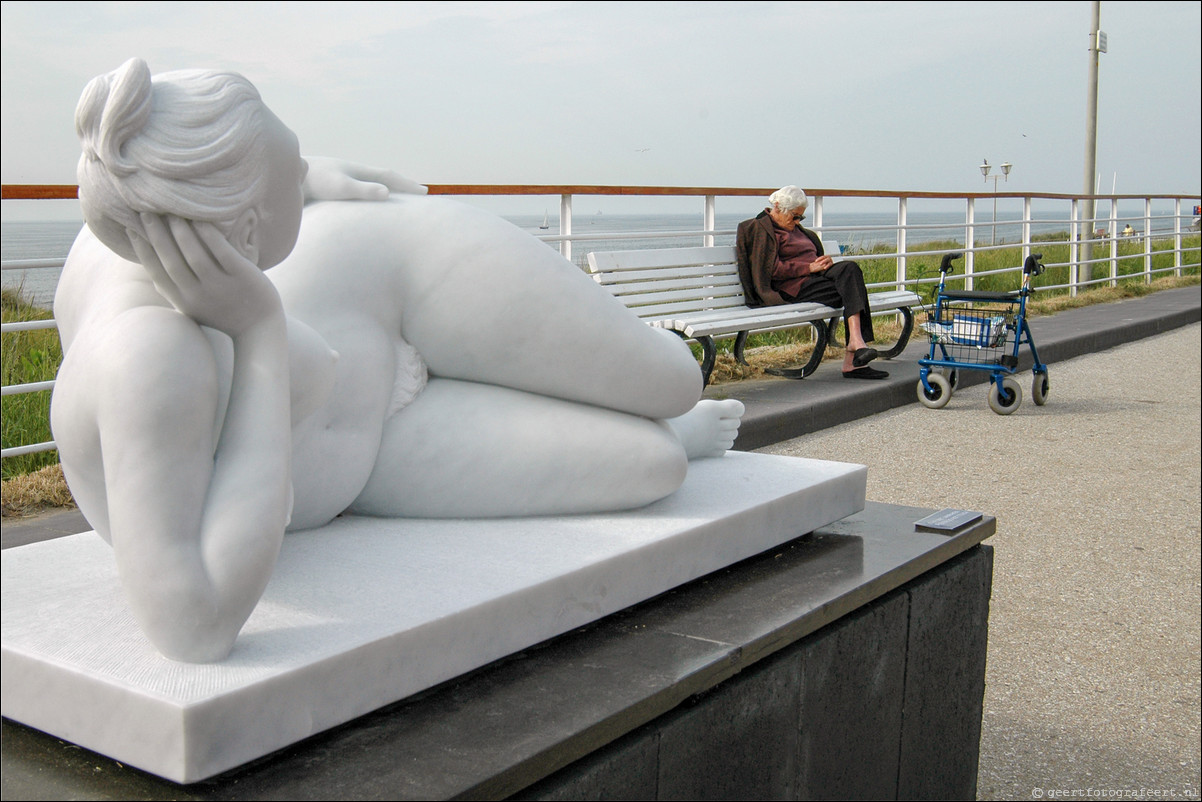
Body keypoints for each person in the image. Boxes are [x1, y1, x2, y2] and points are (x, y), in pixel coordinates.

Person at [52, 58, 744, 662]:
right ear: (243, 229)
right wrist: (260, 326)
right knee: (657, 464)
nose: (304, 174)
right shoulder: (147, 356)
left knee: (673, 379)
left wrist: (303, 180)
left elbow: (283, 364)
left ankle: (647, 397)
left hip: (382, 278)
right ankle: (665, 429)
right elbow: (194, 630)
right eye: (289, 174)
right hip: (364, 458)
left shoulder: (120, 220)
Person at [736, 186, 887, 379]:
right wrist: (808, 268)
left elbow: (814, 258)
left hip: (815, 280)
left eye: (801, 217)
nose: (797, 221)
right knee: (853, 289)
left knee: (850, 269)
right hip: (791, 288)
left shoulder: (798, 231)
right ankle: (853, 356)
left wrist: (823, 263)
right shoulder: (760, 229)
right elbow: (770, 270)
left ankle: (856, 344)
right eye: (794, 216)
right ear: (777, 207)